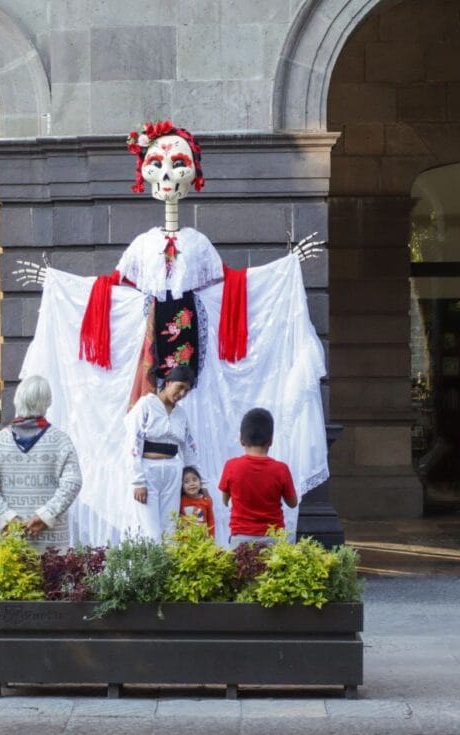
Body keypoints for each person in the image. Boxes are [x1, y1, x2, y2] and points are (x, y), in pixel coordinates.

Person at [18, 120, 328, 546]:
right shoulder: (142, 246)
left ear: (191, 173)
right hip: (152, 353)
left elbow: (229, 287)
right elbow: (114, 291)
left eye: (177, 164)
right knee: (149, 519)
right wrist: (60, 284)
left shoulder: (198, 245)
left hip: (192, 352)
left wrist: (284, 269)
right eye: (157, 164)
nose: (166, 175)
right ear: (144, 170)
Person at [0, 375, 82, 551]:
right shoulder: (61, 441)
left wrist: (6, 518)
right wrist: (45, 516)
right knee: (53, 579)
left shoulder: (0, 441)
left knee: (10, 579)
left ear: (17, 400)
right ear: (48, 402)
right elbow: (72, 483)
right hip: (52, 539)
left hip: (10, 539)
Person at [125, 365, 204, 540]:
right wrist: (138, 481)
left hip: (172, 472)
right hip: (148, 471)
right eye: (180, 387)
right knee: (149, 529)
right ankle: (147, 567)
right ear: (168, 383)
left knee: (169, 526)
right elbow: (133, 442)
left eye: (187, 390)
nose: (182, 393)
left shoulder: (181, 414)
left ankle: (167, 567)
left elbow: (189, 448)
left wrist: (201, 482)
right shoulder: (146, 405)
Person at [219, 407, 298, 547]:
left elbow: (225, 501)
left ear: (242, 440)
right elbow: (292, 503)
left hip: (240, 538)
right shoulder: (281, 469)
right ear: (271, 441)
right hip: (273, 538)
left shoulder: (231, 466)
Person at [179, 466, 215, 537]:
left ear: (200, 483)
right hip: (186, 542)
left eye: (194, 480)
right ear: (182, 487)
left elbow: (211, 521)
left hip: (203, 540)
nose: (192, 483)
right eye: (186, 482)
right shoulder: (180, 501)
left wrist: (211, 538)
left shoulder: (206, 501)